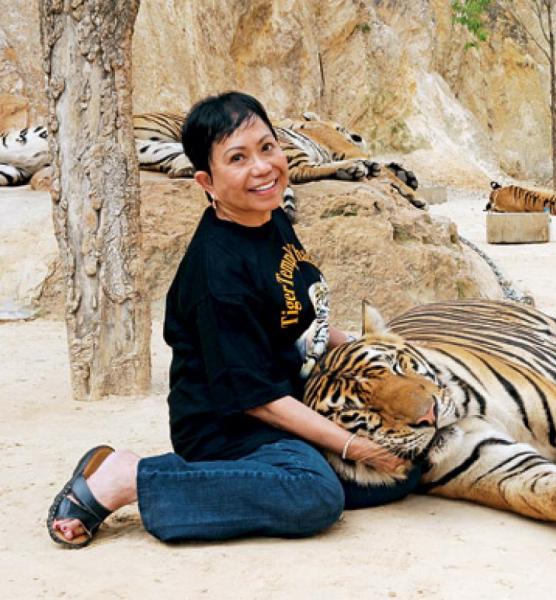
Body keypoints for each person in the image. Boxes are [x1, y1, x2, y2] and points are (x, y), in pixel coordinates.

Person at [47, 91, 421, 548]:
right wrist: (352, 445)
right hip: (230, 429)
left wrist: (366, 348)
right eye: (238, 158)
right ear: (207, 180)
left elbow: (295, 320)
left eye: (267, 148)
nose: (262, 168)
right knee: (314, 496)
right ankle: (129, 478)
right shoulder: (217, 272)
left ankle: (245, 475)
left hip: (283, 398)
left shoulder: (270, 217)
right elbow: (256, 400)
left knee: (406, 468)